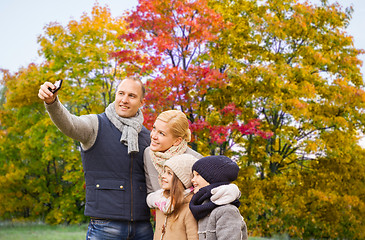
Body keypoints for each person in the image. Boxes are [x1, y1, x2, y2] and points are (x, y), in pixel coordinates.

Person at [38, 77, 153, 240]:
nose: (124, 100)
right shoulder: (95, 124)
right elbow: (70, 124)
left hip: (143, 227)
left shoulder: (147, 136)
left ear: (141, 102)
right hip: (105, 227)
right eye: (121, 93)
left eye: (132, 96)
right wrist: (52, 102)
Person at [189, 155, 248, 240]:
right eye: (193, 175)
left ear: (213, 178)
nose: (192, 180)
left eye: (198, 175)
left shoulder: (226, 211)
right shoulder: (203, 208)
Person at [144, 110, 203, 194]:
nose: (153, 136)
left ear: (177, 141)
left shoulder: (196, 160)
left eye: (161, 133)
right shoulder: (148, 153)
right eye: (154, 129)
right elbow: (150, 192)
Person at [147, 154, 199, 240]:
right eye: (164, 171)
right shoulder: (161, 203)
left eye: (169, 173)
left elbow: (193, 237)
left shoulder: (189, 208)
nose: (163, 176)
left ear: (180, 180)